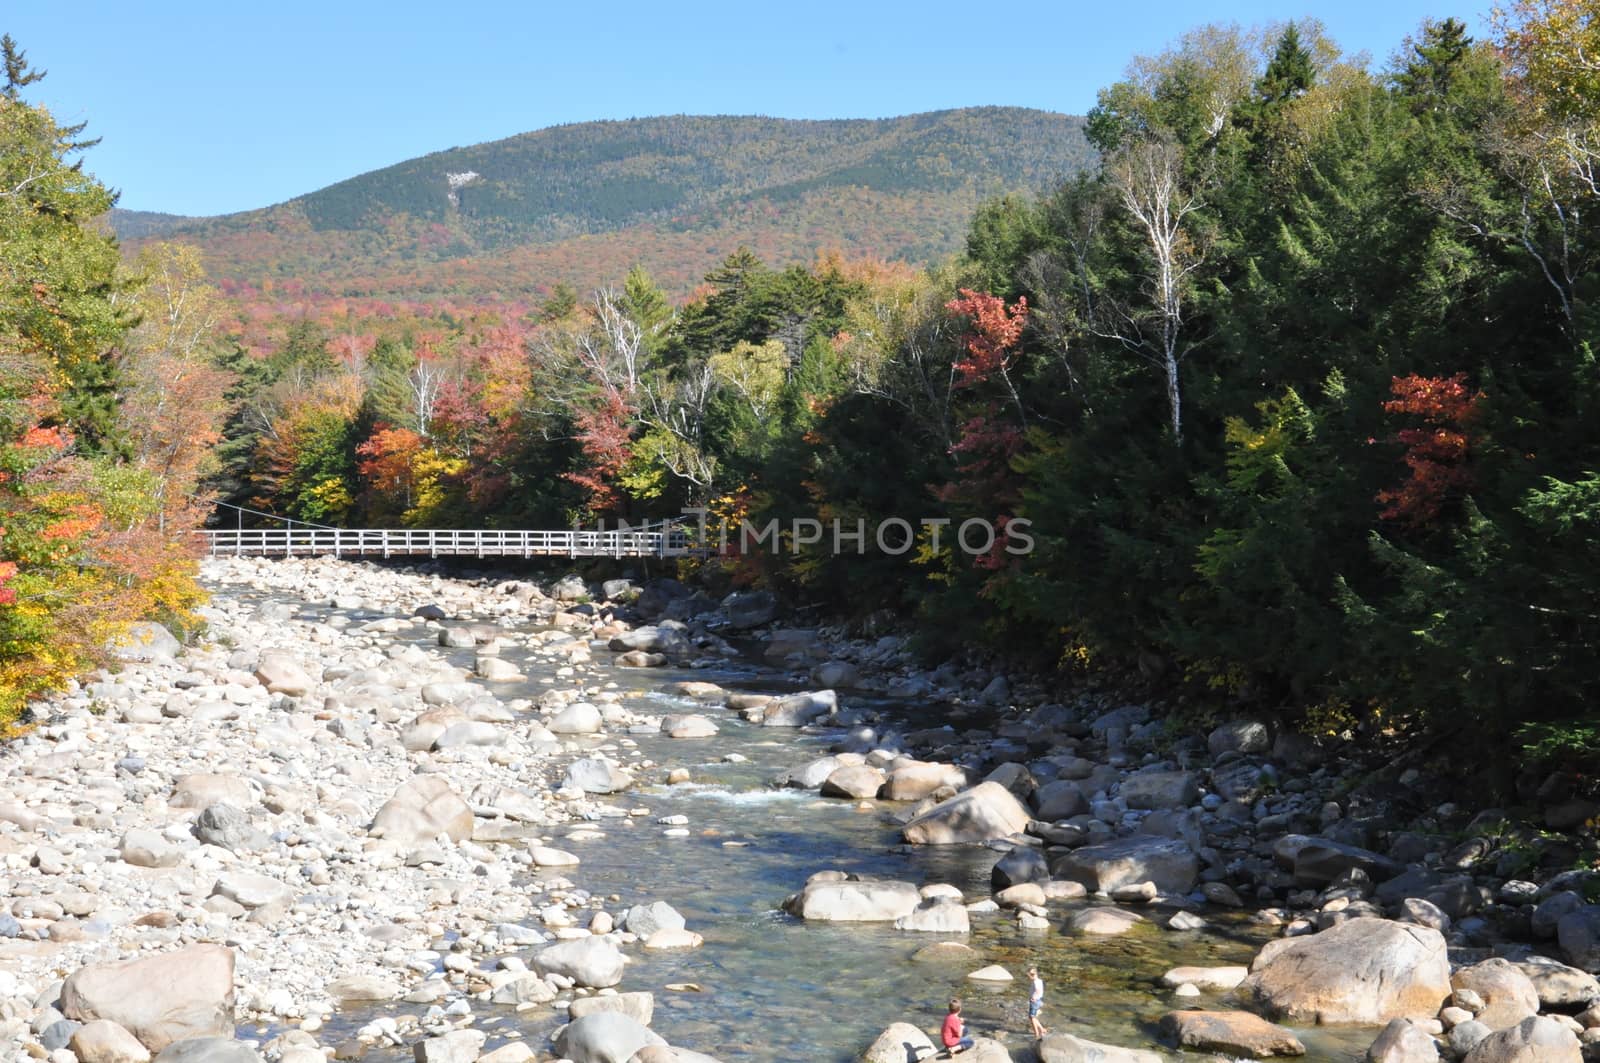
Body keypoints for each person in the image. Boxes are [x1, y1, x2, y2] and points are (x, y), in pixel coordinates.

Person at [1027, 966, 1048, 1038]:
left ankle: (1036, 1034)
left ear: (1033, 975)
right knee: (1033, 1017)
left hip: (1035, 1001)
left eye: (1029, 975)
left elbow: (1038, 990)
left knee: (1032, 1018)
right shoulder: (1040, 981)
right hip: (1039, 1000)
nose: (1029, 977)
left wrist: (1034, 998)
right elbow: (1042, 989)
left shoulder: (1035, 982)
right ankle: (1042, 1029)